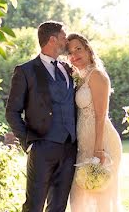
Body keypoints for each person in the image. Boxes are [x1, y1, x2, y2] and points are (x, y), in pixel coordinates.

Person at [6, 21, 78, 212]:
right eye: (63, 38)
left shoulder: (68, 69)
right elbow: (12, 111)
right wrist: (28, 142)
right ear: (53, 40)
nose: (67, 42)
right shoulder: (26, 71)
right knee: (34, 205)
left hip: (69, 148)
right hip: (41, 147)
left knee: (58, 206)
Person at [66, 33, 123, 212]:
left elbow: (101, 115)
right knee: (78, 198)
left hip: (102, 143)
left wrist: (98, 150)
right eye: (70, 52)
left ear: (88, 50)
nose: (74, 54)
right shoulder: (79, 77)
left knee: (101, 198)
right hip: (84, 144)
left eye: (78, 49)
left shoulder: (97, 75)